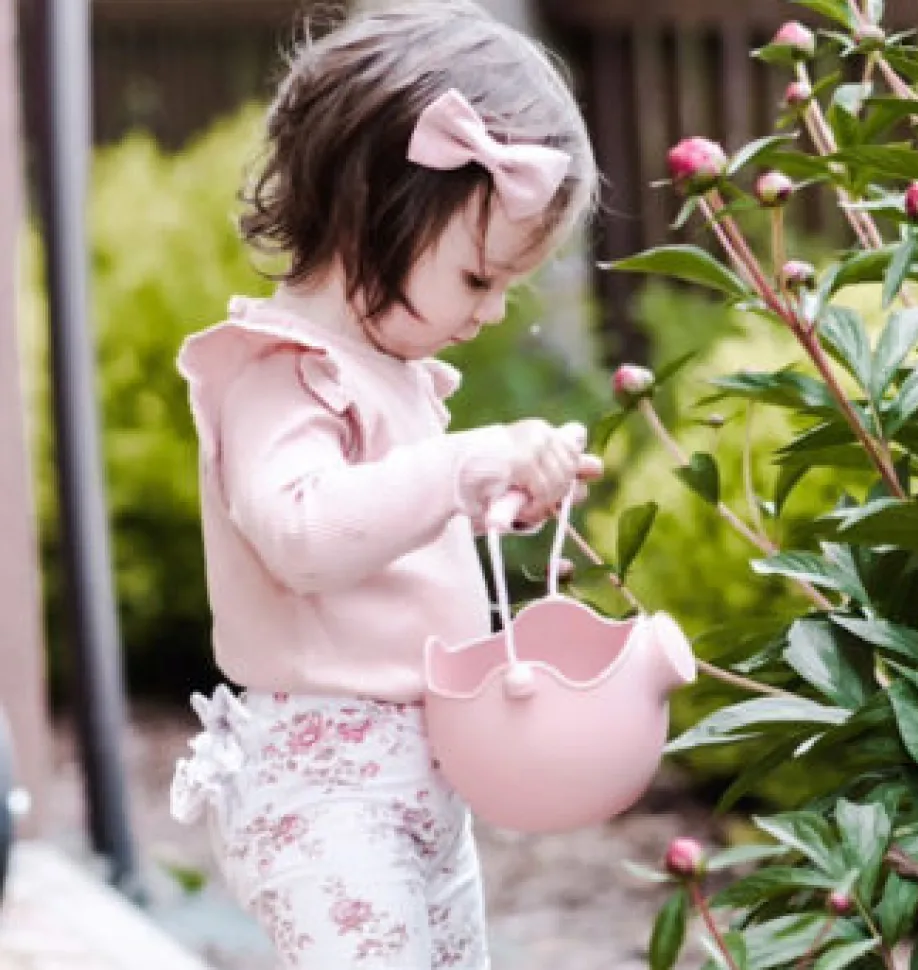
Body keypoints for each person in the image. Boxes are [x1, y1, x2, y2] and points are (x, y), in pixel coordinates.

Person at [170, 2, 601, 966]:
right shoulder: (280, 369)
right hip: (323, 792)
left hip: (416, 786)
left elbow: (388, 542)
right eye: (479, 278)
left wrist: (497, 495)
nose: (494, 312)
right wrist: (462, 465)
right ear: (375, 209)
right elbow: (302, 537)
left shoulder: (390, 373)